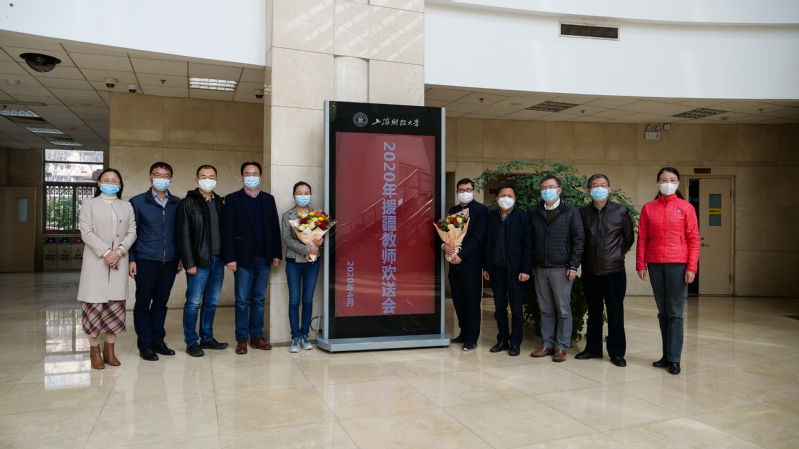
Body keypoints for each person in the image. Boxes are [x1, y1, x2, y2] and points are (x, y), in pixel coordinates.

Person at [636, 167, 700, 375]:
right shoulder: (648, 208)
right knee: (663, 312)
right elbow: (642, 238)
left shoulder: (686, 207)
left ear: (678, 183)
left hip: (678, 264)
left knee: (675, 313)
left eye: (672, 180)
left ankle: (675, 358)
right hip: (655, 263)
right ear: (657, 183)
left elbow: (693, 239)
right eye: (664, 180)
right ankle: (666, 355)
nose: (668, 183)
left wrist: (692, 267)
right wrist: (640, 264)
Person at [77, 168, 136, 370]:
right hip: (96, 263)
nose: (111, 183)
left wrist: (119, 252)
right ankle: (94, 350)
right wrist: (107, 253)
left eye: (115, 181)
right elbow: (86, 232)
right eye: (106, 180)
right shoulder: (89, 204)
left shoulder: (126, 206)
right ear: (99, 183)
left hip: (118, 261)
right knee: (93, 308)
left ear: (120, 185)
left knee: (114, 309)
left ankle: (109, 350)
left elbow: (132, 232)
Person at [223, 161, 282, 354]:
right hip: (242, 258)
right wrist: (230, 257)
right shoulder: (232, 199)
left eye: (254, 173)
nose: (251, 176)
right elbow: (227, 231)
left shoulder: (268, 199)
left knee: (258, 299)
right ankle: (241, 338)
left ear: (260, 177)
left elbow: (274, 228)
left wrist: (276, 253)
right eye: (247, 173)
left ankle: (256, 336)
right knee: (242, 300)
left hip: (264, 257)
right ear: (242, 177)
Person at [576, 174, 634, 367]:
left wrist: (617, 255)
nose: (599, 188)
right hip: (590, 271)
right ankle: (593, 349)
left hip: (614, 272)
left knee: (615, 313)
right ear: (588, 190)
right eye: (594, 185)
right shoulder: (582, 212)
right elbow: (579, 240)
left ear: (609, 189)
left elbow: (629, 238)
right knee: (594, 312)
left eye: (603, 185)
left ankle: (617, 353)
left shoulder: (621, 211)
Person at [128, 162, 182, 361]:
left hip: (170, 261)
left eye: (166, 175)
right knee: (143, 303)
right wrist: (131, 259)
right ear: (150, 176)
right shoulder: (137, 202)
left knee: (160, 303)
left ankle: (158, 341)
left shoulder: (177, 203)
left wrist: (181, 257)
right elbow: (130, 233)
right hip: (145, 259)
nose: (161, 178)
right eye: (157, 174)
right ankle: (145, 345)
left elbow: (181, 233)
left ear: (171, 178)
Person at [530, 175, 584, 362]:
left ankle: (561, 346)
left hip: (562, 268)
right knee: (545, 309)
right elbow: (531, 240)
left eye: (551, 187)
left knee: (563, 309)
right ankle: (547, 344)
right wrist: (532, 264)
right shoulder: (537, 211)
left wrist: (573, 265)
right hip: (540, 268)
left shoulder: (571, 211)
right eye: (544, 188)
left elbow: (578, 239)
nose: (548, 191)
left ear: (559, 190)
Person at [176, 165, 228, 357]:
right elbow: (183, 235)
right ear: (197, 180)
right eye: (203, 177)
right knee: (193, 303)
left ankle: (207, 338)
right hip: (198, 262)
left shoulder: (220, 202)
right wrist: (189, 262)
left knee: (211, 302)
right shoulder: (187, 203)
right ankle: (191, 342)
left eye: (211, 177)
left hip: (218, 261)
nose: (208, 180)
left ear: (216, 180)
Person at [482, 183, 533, 357]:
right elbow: (486, 244)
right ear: (497, 199)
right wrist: (486, 266)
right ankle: (502, 340)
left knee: (516, 309)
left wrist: (526, 269)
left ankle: (515, 342)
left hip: (516, 272)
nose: (506, 198)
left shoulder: (523, 217)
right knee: (500, 308)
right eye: (503, 195)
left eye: (510, 195)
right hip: (496, 270)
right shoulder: (491, 217)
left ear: (515, 199)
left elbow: (528, 246)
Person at [443, 178, 487, 351]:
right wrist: (446, 246)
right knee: (458, 300)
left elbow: (478, 237)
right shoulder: (453, 210)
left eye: (468, 190)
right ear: (456, 192)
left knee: (472, 301)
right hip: (454, 264)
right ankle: (463, 332)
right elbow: (449, 235)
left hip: (471, 263)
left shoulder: (481, 210)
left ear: (474, 191)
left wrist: (461, 255)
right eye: (461, 190)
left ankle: (472, 338)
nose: (465, 193)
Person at [280, 181, 323, 353]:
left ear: (310, 195)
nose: (303, 196)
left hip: (312, 263)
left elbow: (321, 237)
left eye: (306, 193)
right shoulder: (287, 215)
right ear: (293, 195)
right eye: (299, 193)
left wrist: (320, 241)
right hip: (294, 263)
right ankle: (295, 337)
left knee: (307, 300)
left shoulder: (317, 215)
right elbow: (287, 239)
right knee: (294, 301)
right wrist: (307, 249)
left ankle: (305, 335)